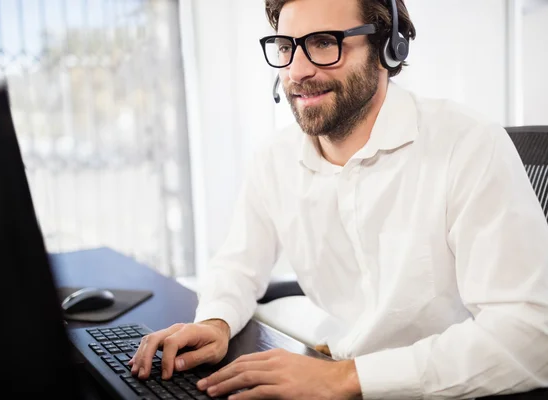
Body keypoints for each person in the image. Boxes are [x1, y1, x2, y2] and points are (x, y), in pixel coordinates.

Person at [129, 0, 548, 398]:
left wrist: (345, 379)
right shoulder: (275, 159)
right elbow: (237, 266)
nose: (297, 70)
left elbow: (531, 333)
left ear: (388, 45)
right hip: (330, 373)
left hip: (451, 387)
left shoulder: (466, 144)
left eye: (323, 43)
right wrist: (216, 320)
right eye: (285, 46)